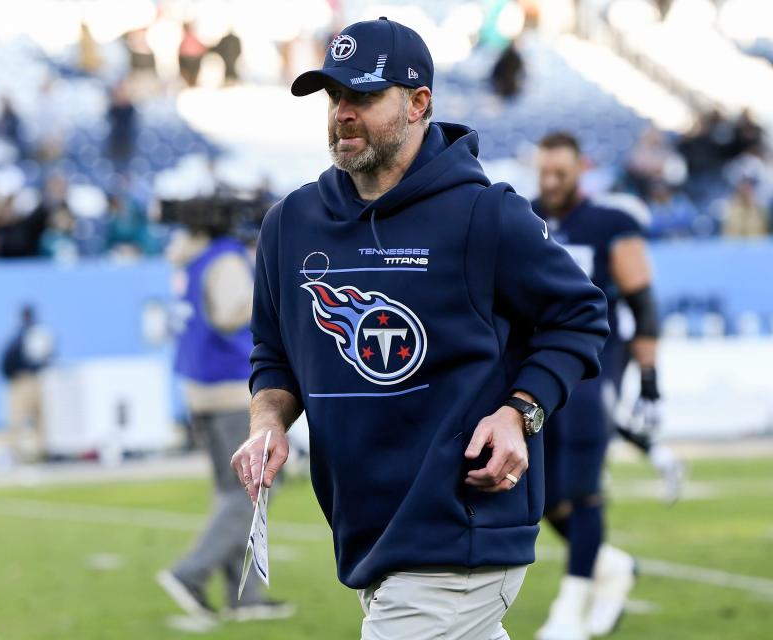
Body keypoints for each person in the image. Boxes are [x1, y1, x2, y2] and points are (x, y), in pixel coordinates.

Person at [229, 18, 610, 640]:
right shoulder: (290, 224)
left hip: (460, 526)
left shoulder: (485, 213)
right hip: (367, 531)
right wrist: (267, 421)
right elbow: (274, 353)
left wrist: (520, 412)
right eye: (334, 97)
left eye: (363, 96)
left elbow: (580, 315)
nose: (343, 113)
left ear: (418, 102)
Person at [532, 132, 684, 639]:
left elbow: (642, 305)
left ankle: (569, 613)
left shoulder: (609, 223)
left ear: (582, 169)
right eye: (545, 173)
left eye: (561, 173)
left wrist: (649, 378)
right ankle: (609, 566)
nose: (551, 183)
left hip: (595, 365)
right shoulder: (523, 216)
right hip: (538, 368)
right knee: (543, 496)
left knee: (583, 485)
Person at [156, 198, 294, 623]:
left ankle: (244, 596)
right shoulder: (224, 260)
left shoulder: (188, 259)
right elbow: (232, 313)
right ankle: (190, 573)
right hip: (234, 388)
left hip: (201, 389)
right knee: (253, 490)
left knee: (236, 492)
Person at [0, 305, 56, 463]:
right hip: (33, 379)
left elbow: (8, 359)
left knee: (23, 418)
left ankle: (32, 452)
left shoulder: (26, 335)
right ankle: (34, 452)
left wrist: (10, 374)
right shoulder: (38, 334)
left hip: (26, 380)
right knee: (34, 419)